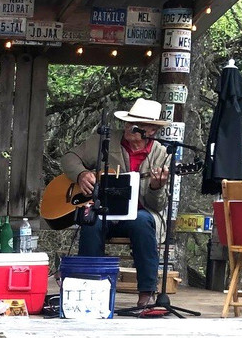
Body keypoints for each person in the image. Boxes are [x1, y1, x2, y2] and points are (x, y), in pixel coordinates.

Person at [60, 97, 171, 310]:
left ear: (151, 130)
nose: (130, 127)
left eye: (137, 124)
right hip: (103, 208)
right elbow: (69, 158)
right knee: (91, 222)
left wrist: (157, 187)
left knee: (142, 221)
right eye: (129, 122)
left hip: (138, 212)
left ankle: (147, 293)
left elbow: (156, 206)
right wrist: (81, 174)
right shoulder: (102, 141)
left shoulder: (162, 155)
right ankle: (90, 287)